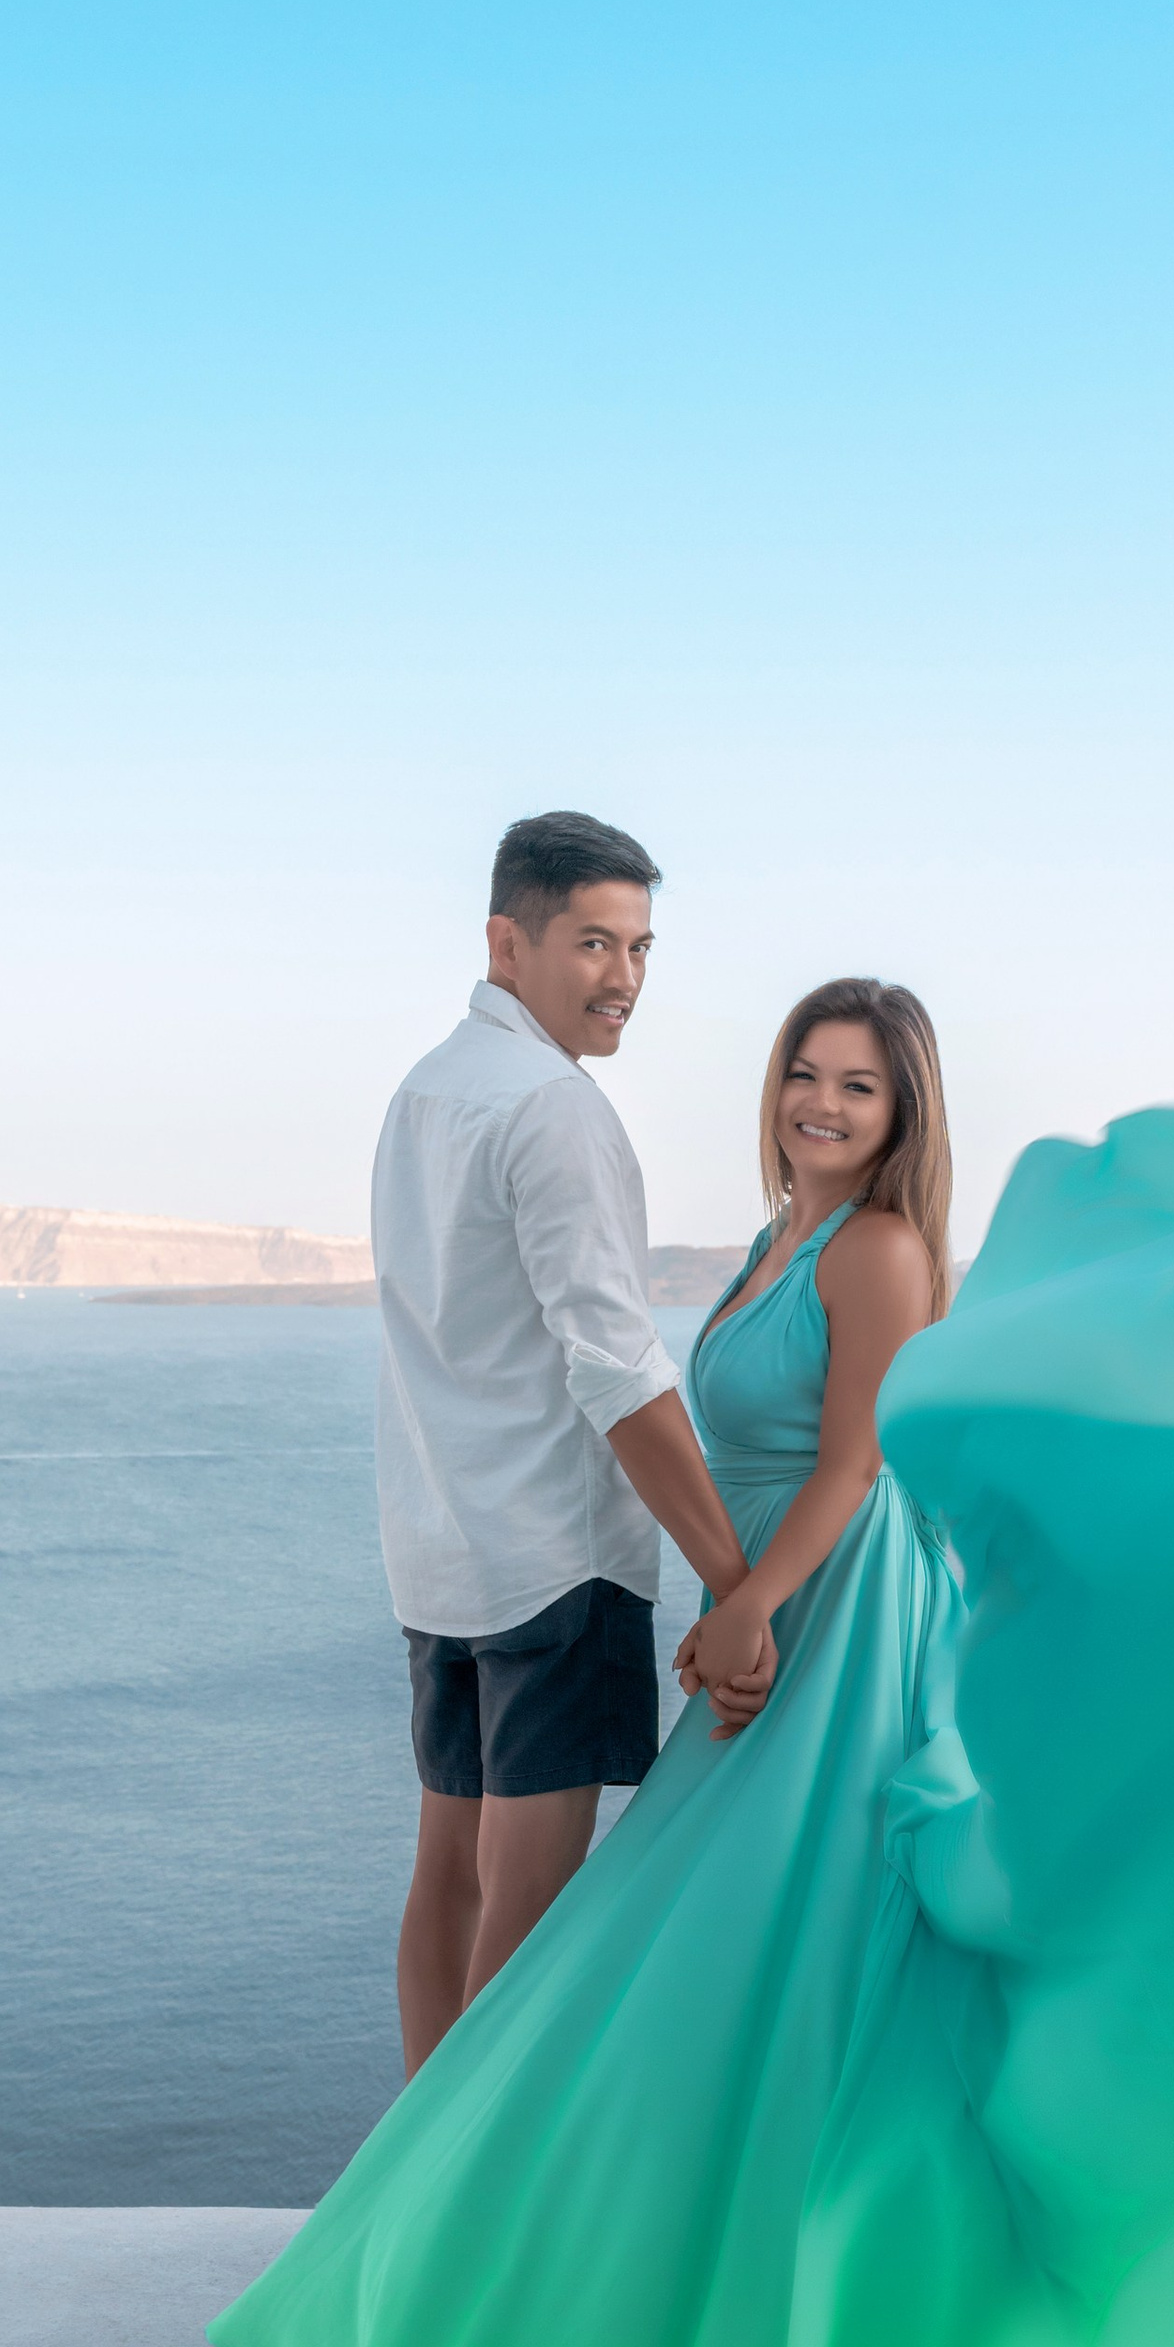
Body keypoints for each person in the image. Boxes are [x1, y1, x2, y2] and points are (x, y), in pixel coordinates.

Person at [210, 974, 958, 2347]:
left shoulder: (888, 1254)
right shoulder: (756, 1234)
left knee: (712, 1966)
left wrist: (741, 1614)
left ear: (905, 1114)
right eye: (808, 1078)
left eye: (859, 1087)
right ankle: (529, 2242)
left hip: (811, 1631)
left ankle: (721, 2279)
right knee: (649, 1974)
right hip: (750, 1618)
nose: (823, 1108)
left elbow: (841, 1467)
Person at [371, 807, 770, 2071]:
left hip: (440, 1557)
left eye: (642, 948)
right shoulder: (553, 1109)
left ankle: (408, 2202)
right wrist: (731, 1574)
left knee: (448, 1879)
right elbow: (617, 1367)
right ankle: (470, 2219)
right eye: (593, 945)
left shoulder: (423, 1092)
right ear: (507, 941)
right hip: (551, 1561)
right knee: (531, 1929)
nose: (625, 981)